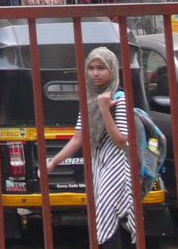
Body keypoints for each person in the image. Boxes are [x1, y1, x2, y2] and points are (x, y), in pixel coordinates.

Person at [45, 47, 135, 249]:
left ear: (112, 69)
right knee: (102, 215)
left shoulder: (119, 99)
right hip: (99, 161)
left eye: (101, 68)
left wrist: (104, 109)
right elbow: (79, 138)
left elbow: (121, 140)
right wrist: (54, 163)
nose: (95, 73)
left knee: (104, 213)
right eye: (91, 68)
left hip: (119, 162)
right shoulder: (90, 99)